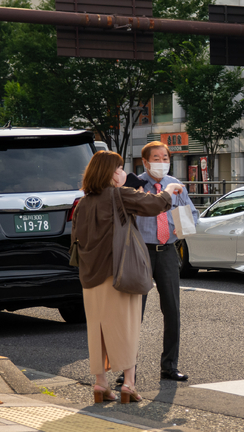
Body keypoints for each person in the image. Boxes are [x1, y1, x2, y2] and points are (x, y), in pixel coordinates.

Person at [71, 150, 183, 403]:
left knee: (97, 330)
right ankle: (128, 385)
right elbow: (154, 205)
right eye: (119, 169)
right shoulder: (120, 195)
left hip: (90, 276)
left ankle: (101, 384)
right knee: (127, 327)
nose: (123, 173)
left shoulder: (83, 203)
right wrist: (171, 189)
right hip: (120, 273)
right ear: (110, 174)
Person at [136, 141, 199, 382]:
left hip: (168, 250)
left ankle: (170, 365)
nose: (162, 162)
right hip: (140, 252)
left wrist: (176, 221)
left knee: (172, 309)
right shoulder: (135, 184)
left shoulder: (177, 186)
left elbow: (192, 216)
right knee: (134, 312)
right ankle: (127, 368)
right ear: (145, 162)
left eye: (165, 158)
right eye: (156, 158)